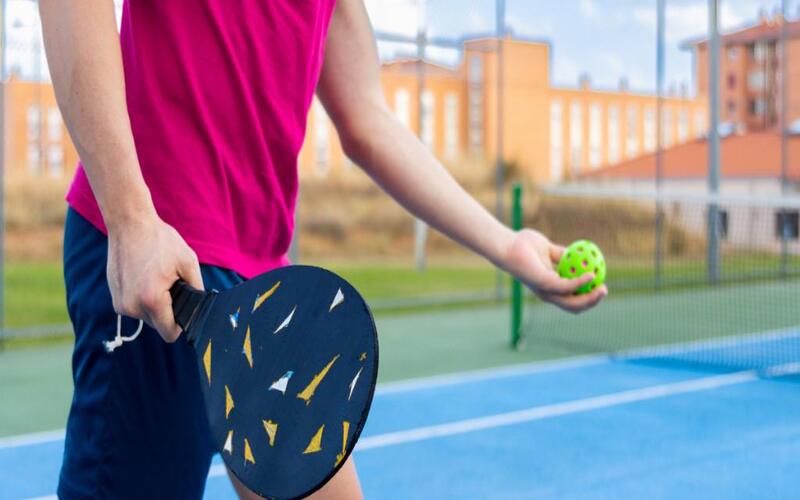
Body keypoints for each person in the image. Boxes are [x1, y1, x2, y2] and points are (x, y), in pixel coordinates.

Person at [40, 0, 607, 498]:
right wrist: (131, 218)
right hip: (164, 267)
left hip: (264, 292)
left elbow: (367, 119)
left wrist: (508, 245)